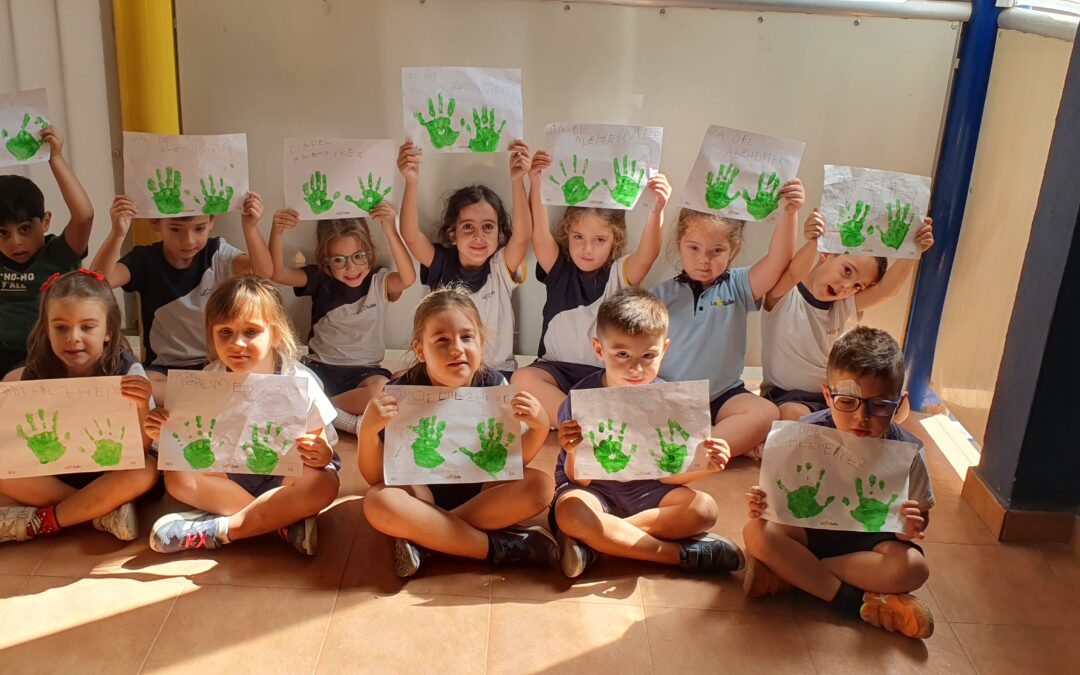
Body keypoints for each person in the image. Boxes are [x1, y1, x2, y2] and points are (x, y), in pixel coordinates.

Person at [742, 325, 935, 639]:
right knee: (756, 532)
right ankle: (855, 601)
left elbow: (921, 513)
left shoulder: (908, 452)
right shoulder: (804, 435)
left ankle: (795, 575)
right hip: (809, 531)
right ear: (827, 396)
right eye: (847, 402)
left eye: (880, 405)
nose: (861, 417)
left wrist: (911, 526)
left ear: (899, 404)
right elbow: (774, 496)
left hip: (867, 545)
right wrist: (760, 504)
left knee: (914, 568)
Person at [358, 286, 556, 578]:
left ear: (481, 342)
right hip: (421, 496)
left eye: (466, 337)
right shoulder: (400, 393)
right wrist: (367, 431)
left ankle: (428, 540)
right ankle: (496, 547)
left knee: (541, 487)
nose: (456, 349)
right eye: (441, 340)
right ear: (419, 350)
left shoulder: (495, 386)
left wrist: (539, 427)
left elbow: (511, 465)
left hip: (482, 495)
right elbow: (375, 477)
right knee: (378, 501)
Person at [552, 288, 744, 578]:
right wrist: (572, 450)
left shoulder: (670, 401)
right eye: (622, 354)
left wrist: (706, 466)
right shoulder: (581, 399)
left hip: (649, 491)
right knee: (570, 512)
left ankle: (595, 544)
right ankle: (677, 555)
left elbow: (668, 476)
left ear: (664, 350)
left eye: (648, 355)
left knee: (704, 509)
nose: (635, 367)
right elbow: (579, 479)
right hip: (594, 491)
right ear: (599, 349)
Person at [143, 275, 339, 556]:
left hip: (285, 477)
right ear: (211, 335)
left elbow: (320, 451)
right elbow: (188, 440)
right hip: (231, 474)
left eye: (250, 332)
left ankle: (220, 530)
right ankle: (278, 525)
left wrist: (320, 453)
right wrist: (163, 433)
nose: (237, 343)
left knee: (322, 485)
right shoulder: (208, 379)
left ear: (275, 334)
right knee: (177, 478)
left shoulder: (300, 380)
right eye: (225, 332)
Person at [512, 149, 672, 422]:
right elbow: (539, 236)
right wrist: (537, 184)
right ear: (567, 234)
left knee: (648, 393)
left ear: (614, 240)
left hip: (607, 376)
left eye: (599, 240)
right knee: (522, 379)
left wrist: (657, 209)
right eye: (578, 237)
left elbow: (647, 255)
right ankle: (583, 425)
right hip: (555, 372)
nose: (587, 249)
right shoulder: (558, 267)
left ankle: (582, 422)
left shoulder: (619, 273)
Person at [0, 269, 158, 543]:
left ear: (108, 332)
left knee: (145, 470)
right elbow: (23, 447)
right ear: (47, 330)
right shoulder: (38, 369)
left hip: (111, 471)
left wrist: (143, 404)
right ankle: (102, 511)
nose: (73, 337)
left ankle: (43, 522)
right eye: (61, 328)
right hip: (56, 473)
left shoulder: (126, 370)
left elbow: (142, 448)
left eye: (87, 327)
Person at [650, 178, 804, 458]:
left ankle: (694, 450)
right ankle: (709, 444)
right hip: (670, 396)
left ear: (733, 249)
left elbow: (778, 261)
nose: (704, 260)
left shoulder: (738, 285)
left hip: (723, 396)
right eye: (693, 248)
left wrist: (789, 213)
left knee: (766, 413)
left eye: (717, 251)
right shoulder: (659, 295)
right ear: (679, 243)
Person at [92, 191, 272, 404]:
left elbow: (263, 274)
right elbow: (96, 282)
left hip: (217, 363)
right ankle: (202, 399)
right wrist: (118, 233)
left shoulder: (217, 253)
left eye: (199, 229)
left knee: (248, 381)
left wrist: (250, 228)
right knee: (138, 388)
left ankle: (201, 398)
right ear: (155, 223)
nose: (188, 240)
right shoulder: (145, 259)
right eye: (176, 229)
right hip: (164, 370)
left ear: (212, 221)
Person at [760, 207, 934, 420]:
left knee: (900, 408)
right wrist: (815, 240)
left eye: (858, 286)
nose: (847, 286)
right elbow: (793, 272)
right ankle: (833, 426)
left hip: (834, 396)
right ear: (826, 254)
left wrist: (913, 249)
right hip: (788, 396)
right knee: (794, 414)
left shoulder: (842, 305)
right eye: (847, 271)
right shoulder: (784, 295)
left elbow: (885, 290)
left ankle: (839, 425)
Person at [266, 204, 416, 433]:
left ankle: (320, 406)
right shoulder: (319, 278)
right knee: (282, 384)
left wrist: (390, 230)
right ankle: (349, 421)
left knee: (384, 391)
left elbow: (408, 279)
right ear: (326, 260)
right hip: (321, 368)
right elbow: (277, 273)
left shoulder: (378, 280)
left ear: (370, 253)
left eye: (359, 256)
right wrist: (276, 233)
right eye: (339, 260)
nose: (351, 267)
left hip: (364, 373)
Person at [396, 140, 532, 378]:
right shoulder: (442, 263)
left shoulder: (499, 267)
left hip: (496, 372)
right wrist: (411, 180)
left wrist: (518, 180)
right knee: (396, 379)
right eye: (468, 226)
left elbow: (522, 237)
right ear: (453, 234)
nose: (478, 236)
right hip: (448, 371)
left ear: (499, 234)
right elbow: (411, 236)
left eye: (487, 227)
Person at [0, 124, 94, 379]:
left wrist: (56, 158)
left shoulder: (58, 254)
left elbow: (84, 216)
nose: (16, 242)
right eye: (3, 234)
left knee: (14, 382)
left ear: (46, 221)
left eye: (25, 229)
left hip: (42, 355)